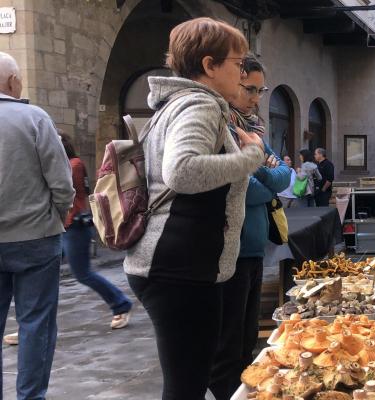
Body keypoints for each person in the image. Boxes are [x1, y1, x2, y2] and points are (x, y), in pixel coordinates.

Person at [123, 18, 267, 399]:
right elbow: (182, 171)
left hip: (177, 266)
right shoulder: (199, 104)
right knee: (186, 386)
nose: (241, 73)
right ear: (209, 65)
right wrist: (251, 156)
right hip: (179, 269)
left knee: (189, 380)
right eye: (237, 64)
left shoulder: (176, 104)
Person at [209, 53, 291, 399]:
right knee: (227, 345)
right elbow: (246, 190)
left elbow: (285, 175)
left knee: (246, 341)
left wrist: (257, 164)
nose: (257, 98)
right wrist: (262, 166)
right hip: (231, 252)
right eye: (250, 89)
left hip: (255, 249)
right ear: (231, 84)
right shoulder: (222, 129)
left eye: (261, 90)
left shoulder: (252, 129)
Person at [0, 51, 75, 399]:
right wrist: (61, 212)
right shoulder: (34, 117)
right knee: (35, 325)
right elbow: (61, 181)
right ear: (13, 82)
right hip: (35, 236)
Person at [60, 133, 134, 329]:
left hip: (73, 225)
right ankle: (32, 323)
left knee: (83, 273)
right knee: (45, 275)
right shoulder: (70, 163)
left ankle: (120, 303)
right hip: (60, 225)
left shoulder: (73, 165)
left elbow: (69, 193)